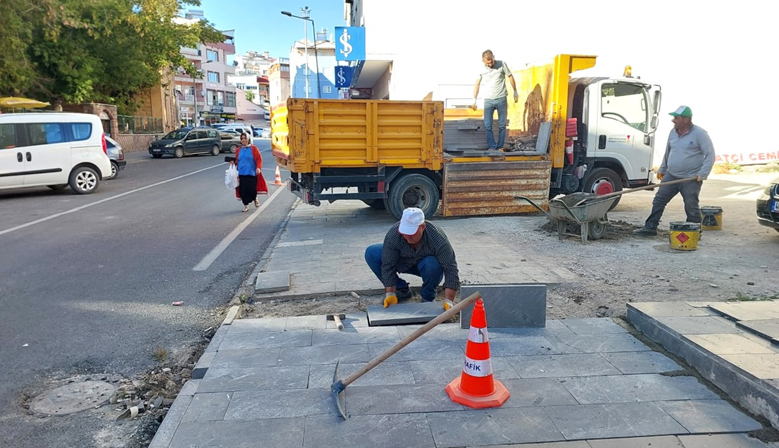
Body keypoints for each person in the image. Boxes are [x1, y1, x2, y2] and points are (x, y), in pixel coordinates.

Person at [634, 106, 715, 236]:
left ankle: (694, 232)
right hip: (671, 175)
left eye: (676, 118)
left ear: (686, 120)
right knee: (659, 200)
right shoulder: (673, 132)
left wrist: (703, 173)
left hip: (691, 177)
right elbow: (668, 151)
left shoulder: (700, 134)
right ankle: (650, 228)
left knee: (691, 205)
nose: (673, 120)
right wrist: (663, 169)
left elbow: (710, 155)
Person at [364, 207, 460, 308]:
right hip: (402, 262)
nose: (407, 237)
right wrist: (390, 293)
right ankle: (401, 290)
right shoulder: (394, 234)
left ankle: (428, 297)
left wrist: (449, 300)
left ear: (422, 227)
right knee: (372, 253)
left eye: (412, 233)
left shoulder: (437, 238)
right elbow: (388, 266)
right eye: (405, 233)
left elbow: (451, 269)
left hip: (427, 267)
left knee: (432, 264)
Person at [471, 50, 519, 150]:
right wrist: (474, 99)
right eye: (488, 63)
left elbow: (510, 76)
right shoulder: (481, 69)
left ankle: (500, 146)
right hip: (488, 100)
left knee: (502, 125)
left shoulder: (502, 64)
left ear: (494, 57)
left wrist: (515, 91)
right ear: (483, 61)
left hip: (501, 99)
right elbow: (477, 84)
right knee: (488, 125)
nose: (490, 64)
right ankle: (492, 147)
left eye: (492, 61)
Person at [232, 133, 268, 212]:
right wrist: (232, 162)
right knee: (243, 190)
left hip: (251, 172)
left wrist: (258, 168)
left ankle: (255, 198)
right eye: (242, 138)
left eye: (245, 138)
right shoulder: (238, 150)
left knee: (252, 189)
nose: (243, 140)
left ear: (248, 139)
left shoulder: (254, 148)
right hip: (241, 173)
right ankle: (246, 205)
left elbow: (259, 159)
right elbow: (237, 160)